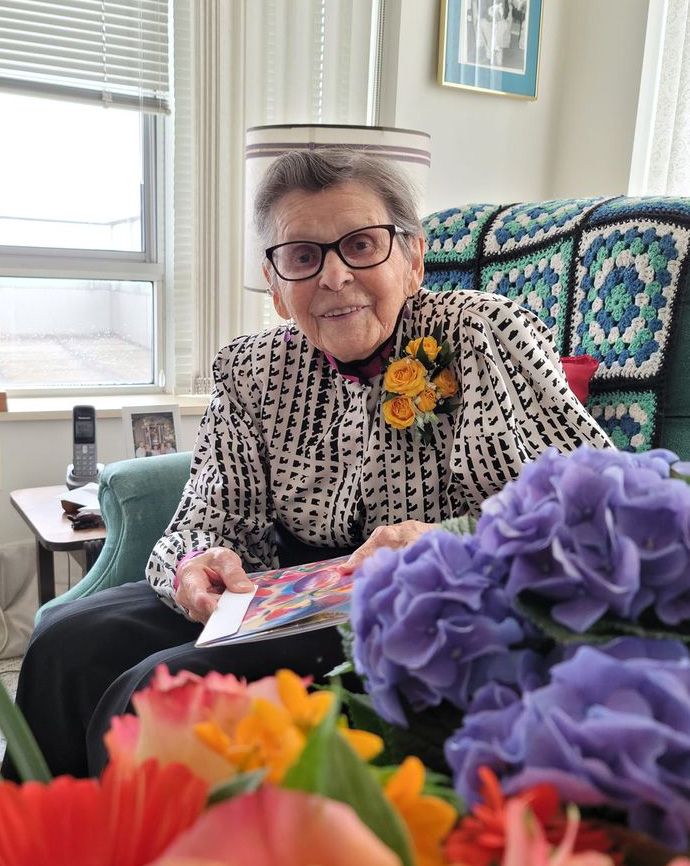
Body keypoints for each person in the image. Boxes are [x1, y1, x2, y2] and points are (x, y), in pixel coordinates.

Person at [1, 150, 610, 782]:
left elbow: (593, 505)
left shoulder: (483, 333)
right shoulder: (249, 368)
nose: (335, 276)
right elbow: (209, 515)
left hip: (425, 609)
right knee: (65, 645)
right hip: (279, 592)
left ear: (412, 261)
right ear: (276, 286)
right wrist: (195, 561)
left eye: (362, 245)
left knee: (154, 695)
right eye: (302, 256)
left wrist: (448, 542)